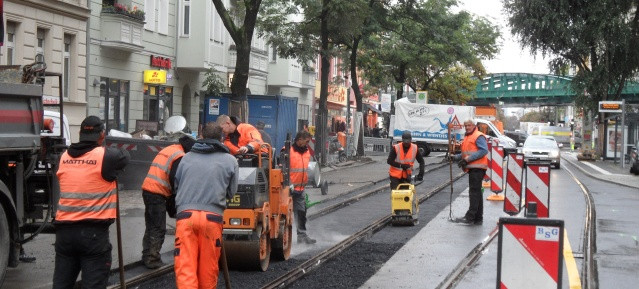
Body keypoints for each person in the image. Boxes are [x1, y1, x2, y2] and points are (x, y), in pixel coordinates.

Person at [53, 116, 130, 289]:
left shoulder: (63, 157)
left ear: (79, 134)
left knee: (61, 285)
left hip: (64, 234)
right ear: (102, 135)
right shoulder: (106, 156)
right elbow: (125, 156)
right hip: (92, 236)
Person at [173, 122, 238, 288]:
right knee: (208, 271)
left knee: (186, 268)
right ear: (222, 138)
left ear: (201, 136)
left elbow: (176, 185)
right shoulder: (230, 161)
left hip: (186, 217)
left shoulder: (186, 158)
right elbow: (231, 192)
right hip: (212, 219)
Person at [140, 135, 195, 269]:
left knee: (151, 225)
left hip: (148, 189)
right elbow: (175, 179)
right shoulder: (180, 155)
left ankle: (147, 255)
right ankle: (152, 259)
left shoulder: (170, 148)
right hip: (157, 192)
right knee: (158, 227)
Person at [451, 120, 489, 225]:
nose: (467, 127)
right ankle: (478, 218)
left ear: (474, 126)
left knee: (474, 193)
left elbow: (483, 151)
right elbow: (465, 153)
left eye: (469, 125)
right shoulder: (468, 137)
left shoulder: (478, 136)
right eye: (466, 125)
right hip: (474, 168)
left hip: (478, 167)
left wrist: (467, 160)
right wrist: (455, 157)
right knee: (477, 193)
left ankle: (470, 217)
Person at [287, 130, 317, 244]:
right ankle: (283, 239)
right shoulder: (288, 151)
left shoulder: (306, 152)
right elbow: (282, 169)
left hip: (300, 189)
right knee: (284, 215)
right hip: (288, 189)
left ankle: (302, 236)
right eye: (307, 141)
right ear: (299, 140)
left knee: (301, 212)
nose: (308, 144)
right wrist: (288, 184)